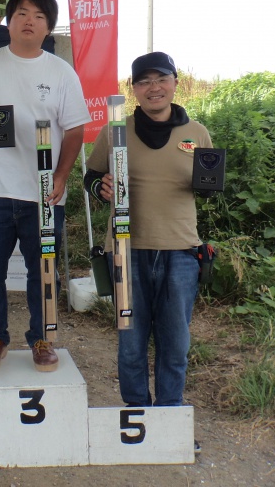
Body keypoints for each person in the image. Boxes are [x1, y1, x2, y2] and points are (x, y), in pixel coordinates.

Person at [0, 0, 91, 372]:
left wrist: (62, 175)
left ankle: (42, 338)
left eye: (39, 16)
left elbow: (76, 130)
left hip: (43, 194)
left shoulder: (61, 72)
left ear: (48, 27)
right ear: (8, 21)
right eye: (22, 14)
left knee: (43, 272)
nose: (29, 21)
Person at [84, 51, 212, 411]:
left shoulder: (197, 133)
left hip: (181, 252)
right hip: (126, 249)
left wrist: (209, 186)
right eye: (144, 81)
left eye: (161, 79)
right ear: (134, 89)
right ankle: (136, 412)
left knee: (175, 343)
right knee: (131, 342)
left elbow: (208, 184)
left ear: (175, 83)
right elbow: (91, 176)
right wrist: (101, 188)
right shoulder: (116, 131)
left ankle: (170, 414)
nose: (153, 88)